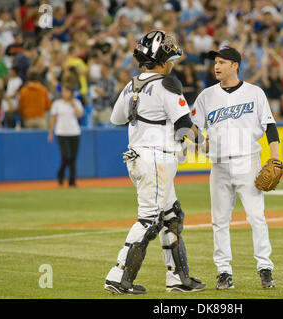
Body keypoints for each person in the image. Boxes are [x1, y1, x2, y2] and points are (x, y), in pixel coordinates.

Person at [104, 30, 207, 295]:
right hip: (155, 159)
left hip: (139, 157)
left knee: (172, 217)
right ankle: (117, 276)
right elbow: (185, 126)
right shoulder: (168, 84)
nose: (172, 62)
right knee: (149, 220)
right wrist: (204, 142)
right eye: (170, 57)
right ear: (162, 60)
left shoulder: (131, 84)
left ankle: (177, 278)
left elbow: (116, 119)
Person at [192, 46, 281, 290]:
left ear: (235, 65)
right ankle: (223, 272)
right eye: (215, 63)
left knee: (256, 216)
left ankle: (265, 268)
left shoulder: (254, 93)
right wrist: (196, 139)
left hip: (248, 160)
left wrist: (274, 159)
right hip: (219, 164)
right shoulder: (206, 96)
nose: (216, 66)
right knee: (219, 220)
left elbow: (271, 128)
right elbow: (194, 129)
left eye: (221, 62)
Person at [48, 84, 83, 187]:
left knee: (73, 158)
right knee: (66, 155)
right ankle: (61, 173)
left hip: (74, 132)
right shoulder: (57, 104)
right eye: (63, 91)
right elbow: (53, 118)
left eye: (67, 91)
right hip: (61, 133)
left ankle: (72, 181)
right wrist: (50, 133)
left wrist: (73, 104)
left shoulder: (76, 102)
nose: (65, 93)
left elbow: (79, 114)